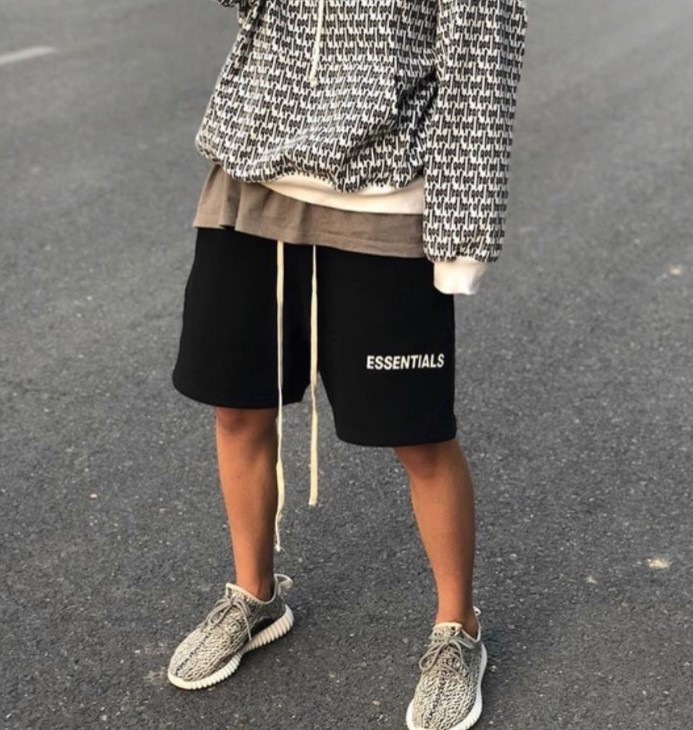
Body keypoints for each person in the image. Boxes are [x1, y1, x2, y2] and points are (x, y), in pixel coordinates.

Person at [167, 1, 528, 728]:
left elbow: (480, 75)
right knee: (237, 406)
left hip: (385, 197)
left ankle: (458, 628)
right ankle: (255, 595)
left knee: (417, 435)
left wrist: (462, 235)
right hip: (250, 178)